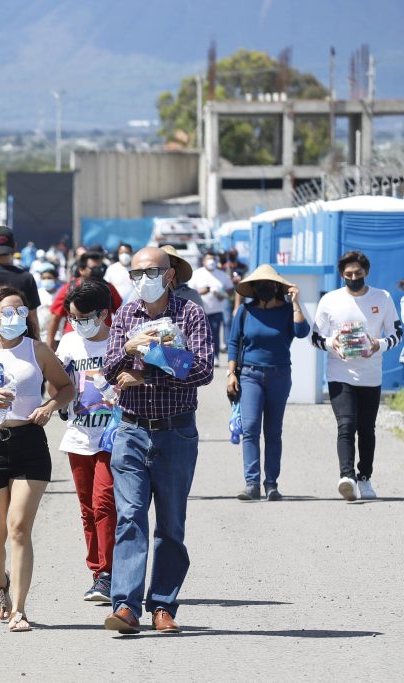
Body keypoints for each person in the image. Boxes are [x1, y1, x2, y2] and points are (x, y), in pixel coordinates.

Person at [101, 247, 214, 635]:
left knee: (170, 522)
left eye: (150, 272)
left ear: (169, 275)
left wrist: (151, 373)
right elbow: (108, 370)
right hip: (132, 429)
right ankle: (126, 606)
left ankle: (163, 604)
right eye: (135, 274)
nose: (142, 280)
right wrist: (131, 350)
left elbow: (201, 370)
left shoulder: (191, 314)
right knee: (130, 516)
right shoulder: (125, 316)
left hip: (176, 430)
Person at [0, 285, 74, 632]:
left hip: (29, 443)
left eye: (21, 311)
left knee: (19, 528)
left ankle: (20, 609)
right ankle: (0, 584)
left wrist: (50, 406)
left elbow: (66, 387)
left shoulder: (37, 350)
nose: (15, 318)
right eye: (7, 312)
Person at [311, 251, 402, 501]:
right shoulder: (330, 300)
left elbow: (397, 332)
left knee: (367, 429)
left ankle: (365, 477)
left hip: (371, 375)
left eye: (358, 274)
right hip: (339, 373)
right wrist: (332, 343)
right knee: (346, 425)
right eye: (348, 274)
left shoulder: (382, 298)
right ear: (342, 275)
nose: (353, 278)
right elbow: (315, 337)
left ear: (366, 273)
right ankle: (347, 477)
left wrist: (379, 344)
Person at [56, 280, 118, 604]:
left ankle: (108, 573)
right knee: (87, 509)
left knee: (104, 502)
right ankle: (98, 573)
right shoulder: (68, 343)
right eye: (73, 318)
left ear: (104, 313)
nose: (78, 324)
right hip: (79, 435)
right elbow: (56, 383)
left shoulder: (119, 341)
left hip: (113, 435)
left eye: (84, 318)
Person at [226, 265, 309, 501]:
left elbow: (302, 331)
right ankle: (251, 483)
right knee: (251, 428)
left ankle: (271, 484)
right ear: (253, 288)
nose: (265, 288)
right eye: (260, 285)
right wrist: (231, 374)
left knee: (273, 432)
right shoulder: (245, 311)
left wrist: (295, 303)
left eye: (270, 285)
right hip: (250, 374)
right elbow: (233, 343)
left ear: (278, 287)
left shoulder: (286, 311)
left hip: (279, 375)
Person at [45, 251, 123, 350]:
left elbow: (121, 314)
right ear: (81, 270)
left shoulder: (108, 288)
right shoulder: (69, 288)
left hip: (104, 344)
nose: (98, 271)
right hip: (75, 346)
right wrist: (49, 346)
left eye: (100, 267)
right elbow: (55, 318)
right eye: (93, 268)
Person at [188, 251, 234, 362]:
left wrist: (222, 295)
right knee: (200, 335)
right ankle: (200, 357)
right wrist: (202, 291)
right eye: (208, 259)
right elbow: (189, 291)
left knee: (214, 334)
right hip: (199, 311)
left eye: (213, 258)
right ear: (203, 261)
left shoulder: (222, 275)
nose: (211, 261)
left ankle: (215, 356)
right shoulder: (196, 274)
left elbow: (230, 289)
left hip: (216, 310)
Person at [35, 263, 59, 343]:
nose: (46, 280)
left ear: (55, 279)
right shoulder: (37, 293)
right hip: (41, 336)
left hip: (58, 335)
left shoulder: (60, 294)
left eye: (49, 278)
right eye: (43, 278)